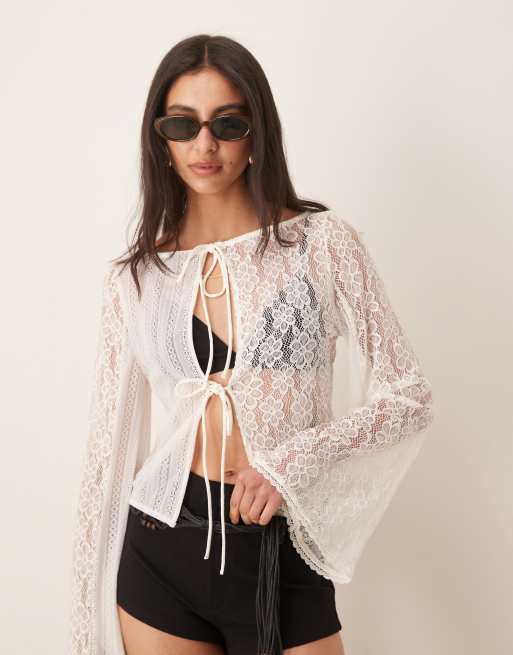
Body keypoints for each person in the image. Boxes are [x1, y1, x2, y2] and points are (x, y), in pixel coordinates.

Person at [68, 34, 434, 655]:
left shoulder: (322, 245)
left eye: (227, 123)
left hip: (281, 547)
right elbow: (108, 450)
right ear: (160, 140)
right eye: (182, 124)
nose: (204, 145)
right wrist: (84, 628)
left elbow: (409, 396)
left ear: (256, 132)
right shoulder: (138, 278)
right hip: (161, 545)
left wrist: (288, 464)